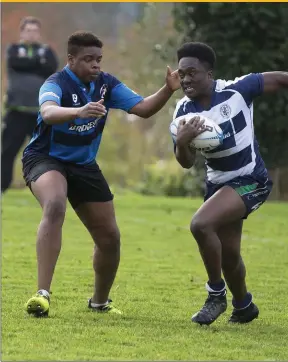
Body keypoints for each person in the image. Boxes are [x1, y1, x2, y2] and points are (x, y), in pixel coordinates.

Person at [171, 42, 288, 326]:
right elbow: (186, 162)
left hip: (252, 179)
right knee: (229, 255)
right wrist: (182, 141)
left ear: (209, 73)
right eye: (182, 74)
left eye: (192, 72)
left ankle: (215, 295)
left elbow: (286, 78)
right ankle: (243, 305)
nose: (186, 79)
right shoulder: (182, 112)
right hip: (218, 185)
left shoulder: (238, 90)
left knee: (200, 225)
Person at [23, 31, 180, 317]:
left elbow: (143, 108)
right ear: (71, 59)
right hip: (45, 158)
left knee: (109, 237)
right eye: (88, 60)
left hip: (84, 164)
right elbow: (48, 113)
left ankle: (99, 302)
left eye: (99, 59)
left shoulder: (106, 84)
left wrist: (168, 89)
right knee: (55, 203)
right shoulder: (55, 83)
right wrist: (78, 111)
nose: (95, 65)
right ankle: (42, 294)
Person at [1, 16, 58, 193]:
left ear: (39, 33)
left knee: (45, 153)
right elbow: (16, 63)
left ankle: (46, 187)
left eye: (34, 31)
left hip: (40, 112)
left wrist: (31, 65)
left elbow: (51, 67)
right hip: (16, 110)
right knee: (8, 151)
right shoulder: (14, 49)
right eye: (28, 30)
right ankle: (3, 186)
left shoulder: (47, 51)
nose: (31, 34)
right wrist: (36, 65)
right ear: (22, 32)